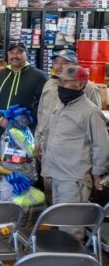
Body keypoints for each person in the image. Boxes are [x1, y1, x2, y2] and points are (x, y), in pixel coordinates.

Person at [40, 66, 109, 209]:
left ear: (81, 84)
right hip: (56, 174)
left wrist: (97, 175)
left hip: (74, 180)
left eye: (67, 82)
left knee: (71, 225)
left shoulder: (90, 112)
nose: (61, 86)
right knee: (59, 219)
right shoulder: (61, 105)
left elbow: (102, 146)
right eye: (61, 81)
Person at [36, 49, 101, 142]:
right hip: (46, 142)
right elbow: (41, 113)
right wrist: (38, 140)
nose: (59, 67)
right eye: (56, 62)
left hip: (72, 146)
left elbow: (95, 124)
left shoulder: (89, 87)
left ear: (75, 65)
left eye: (64, 63)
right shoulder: (49, 84)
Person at [0, 43, 48, 139]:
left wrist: (28, 117)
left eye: (19, 52)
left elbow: (44, 104)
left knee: (24, 155)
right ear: (7, 54)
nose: (15, 56)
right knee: (0, 154)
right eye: (11, 52)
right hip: (1, 131)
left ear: (26, 54)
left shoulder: (40, 77)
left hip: (26, 134)